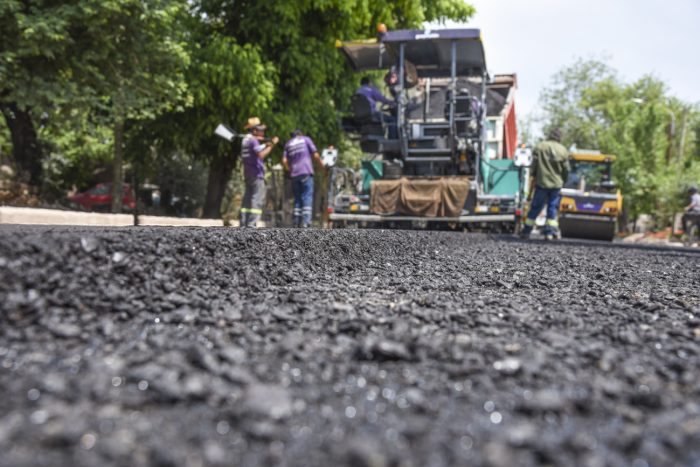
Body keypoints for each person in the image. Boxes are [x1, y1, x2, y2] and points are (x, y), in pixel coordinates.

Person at [520, 128, 570, 240]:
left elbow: (534, 165)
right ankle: (550, 232)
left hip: (542, 182)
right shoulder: (563, 150)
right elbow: (566, 169)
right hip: (556, 184)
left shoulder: (540, 147)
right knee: (552, 208)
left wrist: (533, 174)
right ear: (559, 138)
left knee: (536, 207)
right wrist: (563, 180)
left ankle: (526, 232)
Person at [240, 117, 278, 228]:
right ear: (254, 130)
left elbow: (256, 149)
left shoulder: (246, 140)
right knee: (256, 198)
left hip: (248, 174)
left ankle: (244, 222)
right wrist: (271, 145)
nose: (263, 132)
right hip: (256, 175)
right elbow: (261, 154)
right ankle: (252, 224)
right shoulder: (253, 140)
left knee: (247, 199)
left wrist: (266, 143)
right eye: (260, 130)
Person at [283, 130, 322, 228]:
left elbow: (284, 161)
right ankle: (306, 222)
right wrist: (322, 166)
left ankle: (296, 222)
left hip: (295, 174)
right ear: (300, 134)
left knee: (297, 198)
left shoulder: (288, 144)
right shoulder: (306, 140)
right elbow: (315, 155)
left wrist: (290, 169)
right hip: (305, 172)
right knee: (307, 196)